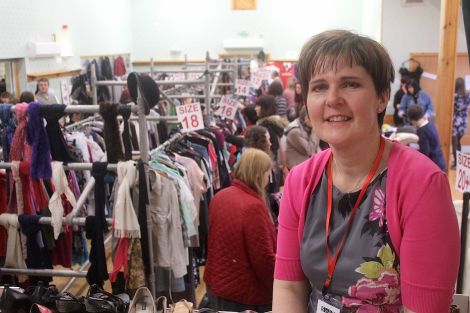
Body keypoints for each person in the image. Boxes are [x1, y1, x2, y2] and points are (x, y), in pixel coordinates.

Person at [273, 30, 459, 313]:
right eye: (319, 87)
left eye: (350, 84)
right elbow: (288, 287)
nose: (332, 99)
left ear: (382, 97)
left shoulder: (422, 184)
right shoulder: (300, 181)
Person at [204, 148, 276, 313]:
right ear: (258, 176)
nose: (269, 179)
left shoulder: (220, 196)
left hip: (217, 283)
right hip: (245, 294)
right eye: (268, 174)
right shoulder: (253, 207)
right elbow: (264, 259)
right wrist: (281, 288)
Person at [255, 95, 288, 192]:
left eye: (258, 106)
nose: (255, 108)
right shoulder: (276, 124)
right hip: (275, 166)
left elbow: (272, 148)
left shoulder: (266, 127)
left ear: (264, 108)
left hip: (267, 168)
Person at [407, 104, 446, 171]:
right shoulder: (430, 124)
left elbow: (425, 153)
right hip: (439, 160)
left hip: (434, 165)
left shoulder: (422, 131)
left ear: (413, 121)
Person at [452, 77, 470, 167]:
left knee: (455, 143)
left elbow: (455, 109)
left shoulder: (454, 96)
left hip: (456, 121)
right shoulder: (467, 95)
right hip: (464, 122)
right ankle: (459, 162)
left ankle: (456, 163)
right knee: (459, 143)